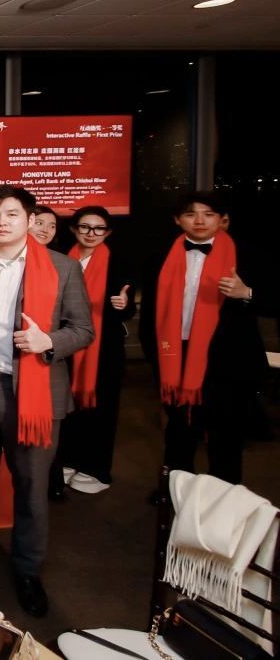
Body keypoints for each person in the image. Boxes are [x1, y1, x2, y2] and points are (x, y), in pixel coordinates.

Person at [0, 185, 93, 619]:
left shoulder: (63, 267)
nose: (1, 221)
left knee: (31, 485)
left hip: (33, 392)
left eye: (11, 214)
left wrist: (49, 341)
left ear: (30, 220)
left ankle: (28, 569)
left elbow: (83, 330)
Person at [138, 191, 268, 485]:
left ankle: (223, 495)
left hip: (229, 361)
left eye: (208, 214)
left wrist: (246, 293)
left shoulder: (248, 254)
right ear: (177, 220)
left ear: (222, 219)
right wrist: (156, 358)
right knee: (179, 430)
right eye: (190, 214)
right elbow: (149, 314)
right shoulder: (159, 256)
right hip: (176, 357)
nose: (199, 221)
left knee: (225, 435)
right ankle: (175, 492)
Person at [56, 207, 134, 496]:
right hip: (67, 344)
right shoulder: (61, 258)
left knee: (101, 410)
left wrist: (124, 306)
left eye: (99, 228)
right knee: (67, 407)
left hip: (104, 349)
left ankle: (96, 469)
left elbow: (128, 308)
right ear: (74, 229)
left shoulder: (119, 261)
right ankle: (68, 460)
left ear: (108, 232)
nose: (91, 233)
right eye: (85, 227)